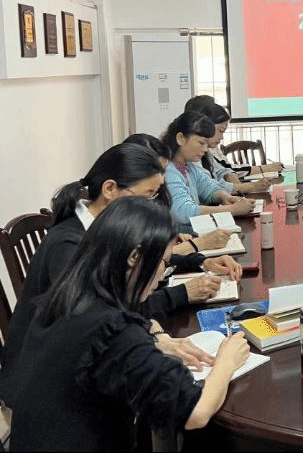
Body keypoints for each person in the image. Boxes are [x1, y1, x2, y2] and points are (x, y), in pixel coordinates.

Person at [0, 197, 250, 451]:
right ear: (134, 257)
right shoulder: (112, 329)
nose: (162, 274)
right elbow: (196, 412)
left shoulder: (71, 291)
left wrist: (156, 337)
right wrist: (227, 361)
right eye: (164, 263)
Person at [0, 143, 240, 373]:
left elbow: (143, 265)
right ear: (109, 189)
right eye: (147, 196)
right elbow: (105, 315)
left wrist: (200, 261)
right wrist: (176, 304)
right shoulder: (69, 244)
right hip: (43, 373)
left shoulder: (106, 229)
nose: (153, 206)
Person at [122, 132, 239, 259]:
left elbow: (208, 188)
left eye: (163, 171)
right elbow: (144, 259)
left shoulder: (186, 168)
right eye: (201, 142)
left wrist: (170, 237)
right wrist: (198, 244)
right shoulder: (120, 211)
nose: (162, 179)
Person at [162, 111, 254, 230]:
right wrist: (232, 209)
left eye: (206, 144)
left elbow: (209, 189)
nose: (205, 149)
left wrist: (224, 197)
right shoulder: (168, 171)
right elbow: (183, 212)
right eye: (201, 143)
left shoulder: (189, 167)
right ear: (181, 138)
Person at [185, 95, 283, 177]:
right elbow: (221, 174)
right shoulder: (189, 154)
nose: (221, 137)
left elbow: (222, 172)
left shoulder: (207, 151)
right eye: (220, 131)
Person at [197, 103, 273, 195]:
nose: (222, 137)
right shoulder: (192, 158)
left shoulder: (207, 153)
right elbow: (208, 187)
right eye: (220, 131)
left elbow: (220, 170)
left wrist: (229, 174)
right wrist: (250, 187)